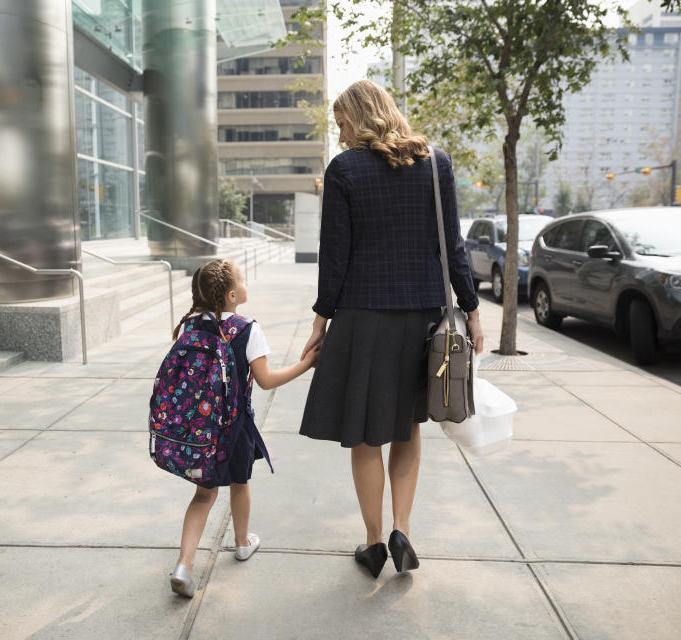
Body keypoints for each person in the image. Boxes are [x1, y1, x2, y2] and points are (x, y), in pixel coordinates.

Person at [298, 80, 485, 579]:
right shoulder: (435, 163)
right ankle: (403, 530)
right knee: (406, 427)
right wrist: (472, 309)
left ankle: (374, 541)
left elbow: (334, 255)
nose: (339, 135)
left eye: (341, 124)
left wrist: (321, 320)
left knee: (365, 436)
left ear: (360, 116)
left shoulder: (344, 170)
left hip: (363, 316)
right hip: (424, 316)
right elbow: (455, 247)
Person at [170, 258, 319, 597]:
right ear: (233, 294)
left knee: (203, 495)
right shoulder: (247, 328)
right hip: (234, 427)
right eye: (243, 279)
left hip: (200, 429)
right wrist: (306, 364)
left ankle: (184, 564)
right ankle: (241, 542)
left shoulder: (193, 326)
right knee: (240, 483)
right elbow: (266, 380)